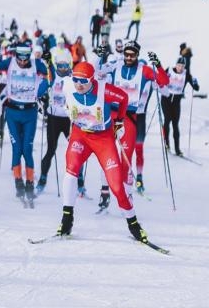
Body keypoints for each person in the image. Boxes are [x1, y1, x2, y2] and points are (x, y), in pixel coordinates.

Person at [53, 61, 152, 243]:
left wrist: (120, 121)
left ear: (92, 80)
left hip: (103, 139)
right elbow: (53, 70)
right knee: (71, 169)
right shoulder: (68, 85)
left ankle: (134, 225)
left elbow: (123, 98)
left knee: (116, 186)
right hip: (80, 135)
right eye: (76, 80)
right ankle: (67, 219)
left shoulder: (104, 90)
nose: (79, 84)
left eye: (83, 81)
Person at [108, 41, 168, 195]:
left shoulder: (145, 71)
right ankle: (106, 190)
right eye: (126, 54)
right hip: (114, 113)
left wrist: (158, 65)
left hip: (134, 117)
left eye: (132, 55)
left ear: (137, 55)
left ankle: (136, 179)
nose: (129, 57)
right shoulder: (117, 66)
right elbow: (98, 74)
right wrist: (100, 57)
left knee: (135, 151)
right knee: (108, 152)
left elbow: (163, 82)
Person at [0, 42, 46, 200]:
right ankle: (18, 182)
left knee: (27, 150)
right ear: (15, 56)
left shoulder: (37, 64)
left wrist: (48, 65)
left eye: (25, 60)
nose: (23, 62)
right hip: (12, 112)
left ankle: (30, 183)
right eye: (20, 59)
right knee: (17, 149)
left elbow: (50, 77)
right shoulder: (9, 62)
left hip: (30, 113)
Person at [35, 50, 73, 193]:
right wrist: (42, 100)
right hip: (53, 119)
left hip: (69, 120)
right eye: (60, 66)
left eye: (65, 66)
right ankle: (42, 179)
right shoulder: (52, 77)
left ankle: (80, 183)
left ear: (70, 65)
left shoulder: (74, 79)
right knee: (51, 150)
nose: (62, 69)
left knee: (75, 151)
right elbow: (39, 91)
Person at [159, 56, 199, 156]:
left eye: (182, 66)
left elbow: (196, 88)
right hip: (166, 99)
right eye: (179, 65)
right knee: (167, 119)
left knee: (175, 124)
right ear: (175, 65)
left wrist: (195, 83)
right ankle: (166, 143)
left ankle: (177, 149)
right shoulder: (169, 70)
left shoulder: (187, 75)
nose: (180, 68)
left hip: (176, 101)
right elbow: (160, 78)